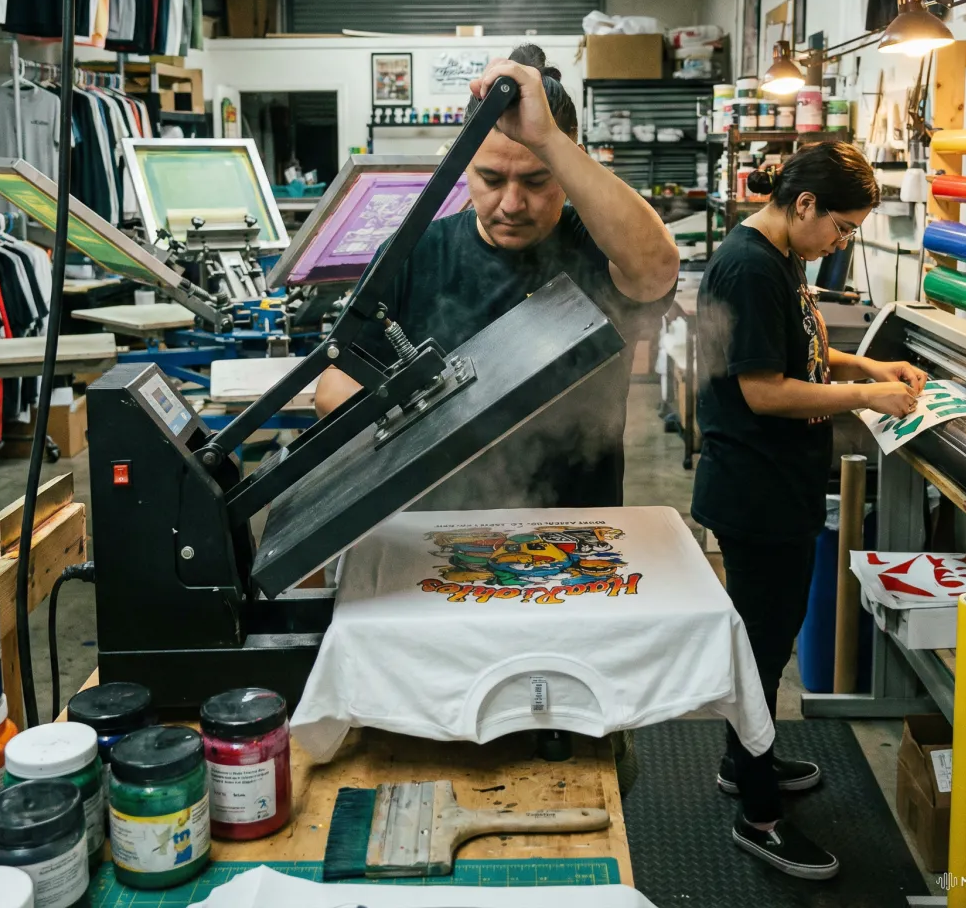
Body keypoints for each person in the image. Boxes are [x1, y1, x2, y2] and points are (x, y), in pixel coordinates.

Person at [692, 141, 924, 880]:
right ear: (803, 206)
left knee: (769, 638)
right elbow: (764, 390)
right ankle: (759, 817)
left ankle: (743, 761)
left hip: (778, 484)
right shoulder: (749, 266)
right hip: (754, 491)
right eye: (844, 227)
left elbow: (805, 350)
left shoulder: (782, 256)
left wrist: (864, 366)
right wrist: (865, 397)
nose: (843, 241)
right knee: (759, 653)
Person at [314, 44, 680, 509]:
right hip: (436, 529)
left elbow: (656, 270)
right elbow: (334, 388)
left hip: (574, 532)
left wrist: (549, 138)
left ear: (570, 163)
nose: (510, 204)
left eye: (536, 180)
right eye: (490, 178)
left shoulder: (599, 248)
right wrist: (438, 438)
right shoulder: (415, 253)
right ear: (463, 162)